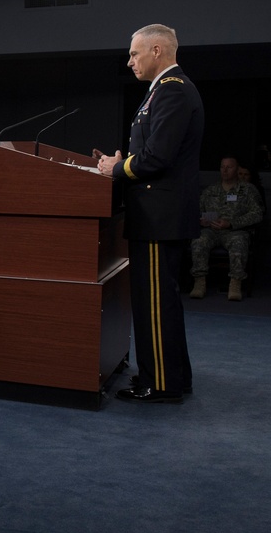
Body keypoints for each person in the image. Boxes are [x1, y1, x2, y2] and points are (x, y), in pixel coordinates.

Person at [95, 23, 204, 404]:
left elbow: (159, 157)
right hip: (158, 213)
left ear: (157, 50)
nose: (130, 62)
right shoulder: (164, 90)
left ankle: (161, 384)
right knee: (161, 301)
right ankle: (174, 376)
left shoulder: (172, 91)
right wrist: (126, 161)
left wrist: (117, 169)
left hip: (160, 216)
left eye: (135, 54)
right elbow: (156, 152)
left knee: (155, 303)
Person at [188, 155, 264, 301]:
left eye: (229, 167)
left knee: (239, 242)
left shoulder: (247, 190)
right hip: (211, 230)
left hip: (235, 231)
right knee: (199, 241)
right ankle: (199, 282)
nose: (225, 170)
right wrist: (201, 221)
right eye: (223, 167)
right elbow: (196, 211)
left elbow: (257, 214)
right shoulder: (211, 190)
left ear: (236, 169)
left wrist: (232, 223)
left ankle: (235, 284)